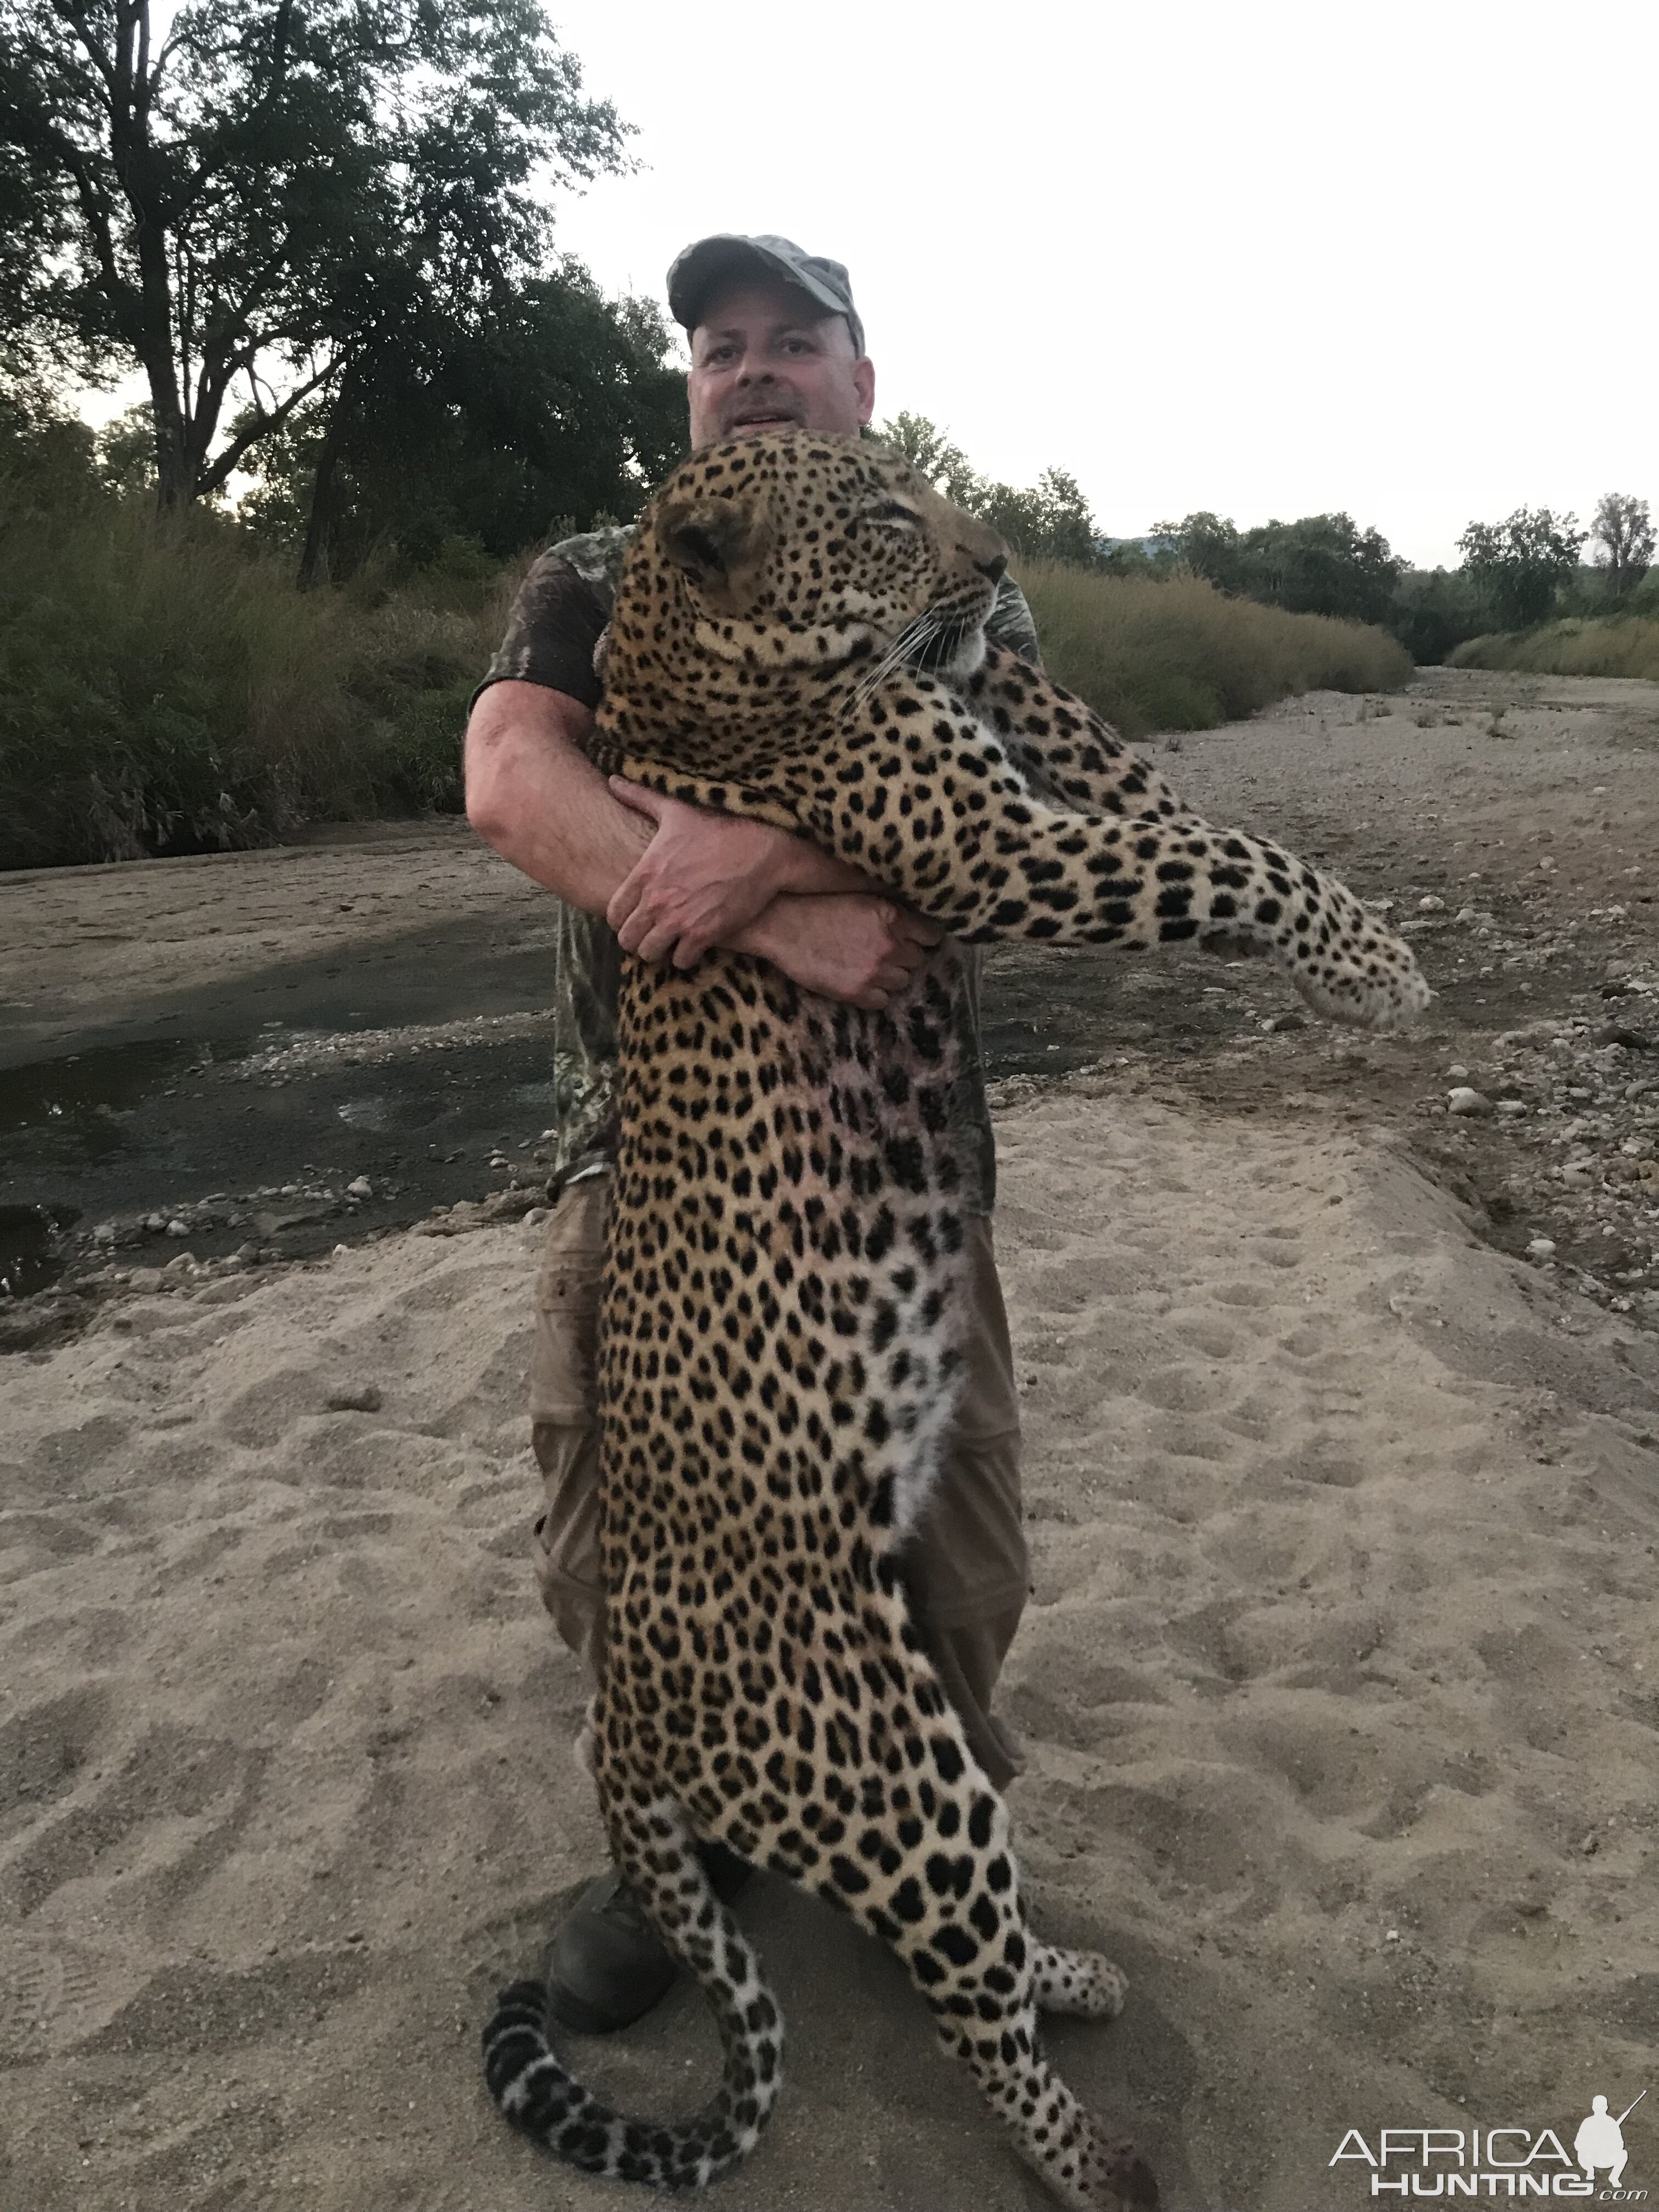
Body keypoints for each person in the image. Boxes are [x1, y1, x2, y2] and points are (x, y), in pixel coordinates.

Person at [464, 234, 1042, 2036]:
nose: (756, 367)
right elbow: (509, 775)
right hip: (647, 1156)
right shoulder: (595, 571)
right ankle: (692, 1839)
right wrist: (782, 907)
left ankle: (908, 1831)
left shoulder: (958, 581)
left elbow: (1007, 803)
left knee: (948, 1549)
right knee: (631, 1537)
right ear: (688, 387)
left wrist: (758, 845)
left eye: (798, 339)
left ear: (866, 381)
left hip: (893, 1171)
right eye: (721, 346)